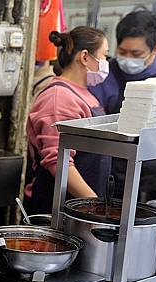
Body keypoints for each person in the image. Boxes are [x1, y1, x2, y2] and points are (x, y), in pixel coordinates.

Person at [90, 10, 156, 201]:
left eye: (136, 53)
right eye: (122, 52)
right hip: (121, 170)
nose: (128, 58)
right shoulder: (105, 76)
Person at [25, 27, 111, 214]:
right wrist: (95, 206)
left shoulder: (85, 94)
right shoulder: (59, 98)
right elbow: (58, 162)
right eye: (104, 56)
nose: (106, 63)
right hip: (58, 209)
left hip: (79, 207)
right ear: (85, 57)